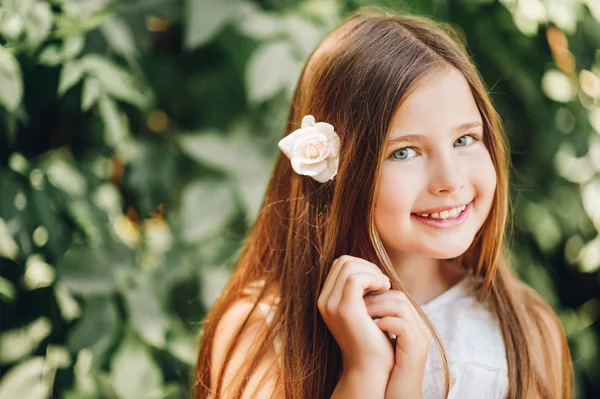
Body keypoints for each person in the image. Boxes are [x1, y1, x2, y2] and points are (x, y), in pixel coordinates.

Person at [193, 8, 573, 399]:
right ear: (336, 174)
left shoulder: (524, 331)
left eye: (464, 140)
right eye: (404, 152)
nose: (450, 181)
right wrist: (364, 372)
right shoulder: (263, 332)